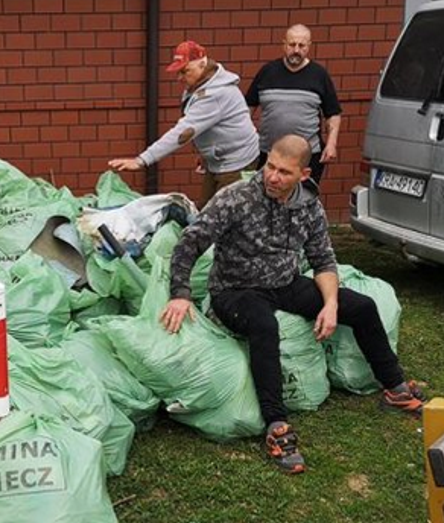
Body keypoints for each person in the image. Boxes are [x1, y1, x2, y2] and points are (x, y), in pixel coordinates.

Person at [160, 135, 424, 474]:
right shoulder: (236, 198)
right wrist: (180, 293)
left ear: (303, 174)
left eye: (284, 172)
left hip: (285, 283)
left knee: (362, 306)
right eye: (270, 166)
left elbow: (323, 260)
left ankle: (395, 387)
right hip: (235, 290)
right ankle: (276, 426)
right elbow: (189, 243)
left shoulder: (309, 204)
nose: (272, 177)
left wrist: (330, 306)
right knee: (264, 326)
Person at [109, 40, 258, 207]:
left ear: (203, 64)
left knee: (222, 217)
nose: (180, 78)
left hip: (237, 164)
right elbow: (207, 124)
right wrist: (206, 151)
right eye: (178, 72)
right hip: (219, 161)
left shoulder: (215, 93)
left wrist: (142, 160)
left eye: (185, 71)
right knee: (206, 212)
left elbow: (182, 132)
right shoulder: (202, 84)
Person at [245, 25, 341, 186]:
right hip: (268, 155)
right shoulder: (267, 72)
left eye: (301, 45)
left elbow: (333, 114)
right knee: (267, 200)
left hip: (308, 157)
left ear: (309, 46)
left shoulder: (319, 75)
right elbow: (247, 109)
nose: (296, 50)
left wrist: (331, 144)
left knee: (301, 201)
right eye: (292, 45)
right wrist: (247, 138)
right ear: (284, 44)